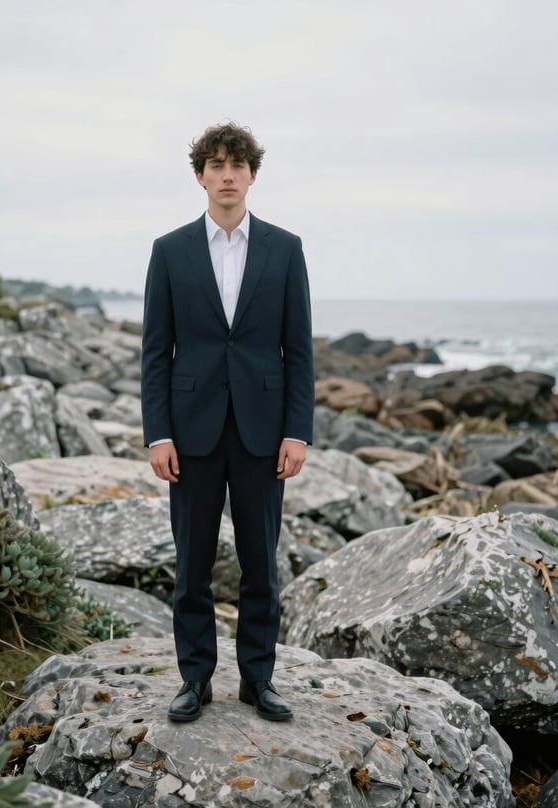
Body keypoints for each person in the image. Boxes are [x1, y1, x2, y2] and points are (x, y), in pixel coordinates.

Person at [140, 121, 314, 723]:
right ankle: (195, 680)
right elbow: (156, 351)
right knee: (191, 565)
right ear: (200, 176)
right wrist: (157, 433)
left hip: (265, 433)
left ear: (252, 175)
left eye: (237, 165)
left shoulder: (285, 248)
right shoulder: (170, 250)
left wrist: (298, 431)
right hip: (190, 431)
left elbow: (300, 349)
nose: (227, 175)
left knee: (261, 563)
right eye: (216, 165)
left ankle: (259, 680)